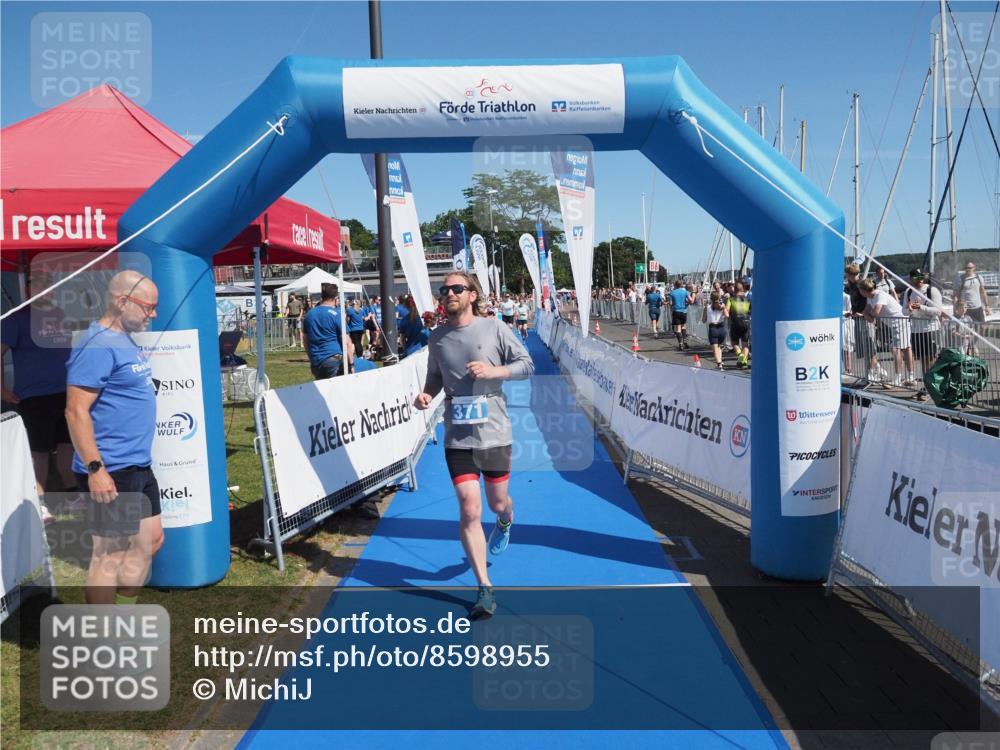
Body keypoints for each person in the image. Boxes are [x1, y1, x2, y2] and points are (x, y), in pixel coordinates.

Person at [413, 272, 534, 619]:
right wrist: (426, 395)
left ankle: (507, 519)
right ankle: (484, 587)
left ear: (472, 294)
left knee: (496, 504)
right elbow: (434, 379)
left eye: (456, 288)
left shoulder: (494, 328)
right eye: (444, 289)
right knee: (469, 508)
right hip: (458, 435)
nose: (449, 293)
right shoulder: (437, 337)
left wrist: (494, 372)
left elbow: (527, 364)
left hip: (494, 432)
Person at [65, 270, 165, 605]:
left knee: (151, 541)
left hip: (137, 465)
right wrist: (96, 469)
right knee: (109, 554)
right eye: (148, 307)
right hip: (110, 467)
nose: (153, 314)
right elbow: (75, 411)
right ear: (121, 302)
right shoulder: (96, 345)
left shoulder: (123, 338)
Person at [1, 272, 78, 522]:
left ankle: (73, 494)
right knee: (39, 452)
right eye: (39, 285)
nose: (46, 289)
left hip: (67, 392)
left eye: (49, 284)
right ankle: (40, 502)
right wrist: (1, 389)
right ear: (28, 289)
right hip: (34, 396)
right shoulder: (16, 319)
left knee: (68, 446)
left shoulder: (63, 315)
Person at [860, 278, 914, 387]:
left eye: (861, 290)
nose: (860, 293)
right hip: (895, 323)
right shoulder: (870, 298)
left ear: (864, 290)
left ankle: (899, 378)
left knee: (898, 349)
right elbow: (870, 317)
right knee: (905, 348)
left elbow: (875, 313)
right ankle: (910, 376)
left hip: (900, 322)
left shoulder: (880, 295)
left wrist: (866, 313)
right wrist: (867, 313)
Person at [901, 268, 942, 398]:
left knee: (931, 360)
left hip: (931, 328)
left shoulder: (932, 290)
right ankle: (927, 386)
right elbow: (903, 312)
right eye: (915, 278)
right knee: (923, 361)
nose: (918, 281)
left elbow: (938, 311)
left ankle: (933, 386)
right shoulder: (908, 291)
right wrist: (909, 309)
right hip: (916, 330)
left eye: (920, 278)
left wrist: (921, 307)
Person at [303, 283, 353, 379]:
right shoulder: (337, 314)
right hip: (333, 358)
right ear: (336, 298)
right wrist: (351, 364)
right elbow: (347, 342)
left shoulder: (309, 314)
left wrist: (311, 357)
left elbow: (305, 339)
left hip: (316, 360)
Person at [845, 264, 878, 380]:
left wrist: (864, 313)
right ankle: (871, 373)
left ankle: (871, 374)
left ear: (850, 274)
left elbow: (869, 299)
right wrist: (852, 312)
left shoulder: (862, 284)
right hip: (857, 317)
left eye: (847, 274)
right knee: (863, 349)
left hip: (865, 318)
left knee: (870, 347)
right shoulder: (850, 286)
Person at [726, 281, 751, 368]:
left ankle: (740, 355)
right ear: (743, 289)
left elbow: (726, 312)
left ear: (735, 289)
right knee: (745, 345)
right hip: (746, 323)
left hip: (735, 324)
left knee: (734, 344)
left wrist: (726, 314)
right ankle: (743, 362)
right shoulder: (748, 299)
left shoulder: (731, 299)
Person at [702, 290, 729, 369]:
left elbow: (703, 320)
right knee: (719, 346)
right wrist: (724, 308)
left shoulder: (708, 307)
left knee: (715, 349)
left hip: (713, 328)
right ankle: (720, 361)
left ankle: (719, 363)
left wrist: (705, 311)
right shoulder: (722, 306)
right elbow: (727, 316)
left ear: (711, 298)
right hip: (721, 328)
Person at [668, 280, 693, 350]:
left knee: (678, 328)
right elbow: (691, 300)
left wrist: (673, 305)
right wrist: (687, 304)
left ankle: (680, 344)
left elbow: (670, 303)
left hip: (676, 311)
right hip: (684, 311)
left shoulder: (672, 293)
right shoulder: (684, 292)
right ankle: (685, 341)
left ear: (675, 285)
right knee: (683, 326)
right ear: (681, 285)